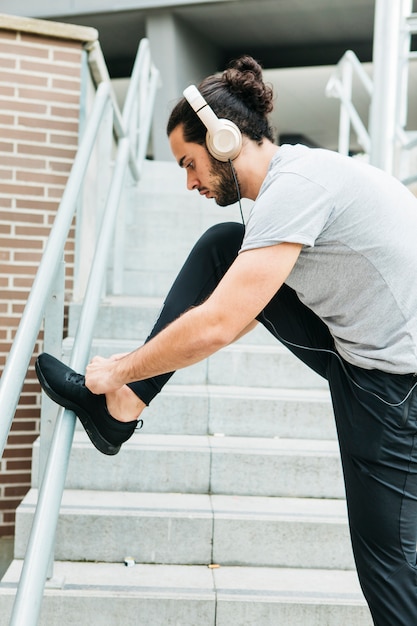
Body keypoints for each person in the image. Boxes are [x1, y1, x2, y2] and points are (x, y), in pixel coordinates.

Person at [36, 55, 417, 625]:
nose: (189, 181)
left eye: (190, 163)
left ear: (222, 139)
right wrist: (134, 375)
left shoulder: (297, 188)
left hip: (395, 388)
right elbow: (240, 313)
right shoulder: (297, 181)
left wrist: (116, 368)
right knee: (222, 246)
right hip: (367, 356)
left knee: (387, 561)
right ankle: (121, 410)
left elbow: (217, 323)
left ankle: (118, 396)